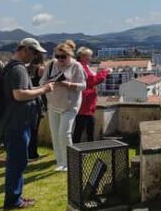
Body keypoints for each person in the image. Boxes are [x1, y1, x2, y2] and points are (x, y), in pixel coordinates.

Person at [3, 38, 55, 210]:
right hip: (17, 122)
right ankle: (13, 201)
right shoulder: (18, 68)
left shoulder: (12, 67)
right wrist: (43, 90)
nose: (35, 56)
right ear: (24, 49)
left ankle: (15, 197)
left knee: (18, 161)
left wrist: (39, 88)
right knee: (17, 163)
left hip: (15, 121)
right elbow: (19, 94)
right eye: (34, 52)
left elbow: (23, 90)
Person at [40, 40, 85, 171]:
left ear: (70, 55)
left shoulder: (76, 66)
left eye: (63, 57)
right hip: (53, 103)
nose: (60, 59)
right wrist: (50, 82)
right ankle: (60, 163)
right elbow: (42, 82)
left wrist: (67, 84)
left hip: (70, 105)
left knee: (64, 133)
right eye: (57, 56)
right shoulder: (51, 65)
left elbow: (83, 85)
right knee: (55, 135)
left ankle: (70, 162)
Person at [72, 47, 110, 144]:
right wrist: (105, 72)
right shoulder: (81, 67)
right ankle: (77, 147)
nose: (90, 58)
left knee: (88, 126)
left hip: (87, 102)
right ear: (83, 56)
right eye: (89, 56)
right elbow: (92, 81)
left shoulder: (83, 66)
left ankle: (88, 147)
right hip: (85, 102)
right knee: (81, 127)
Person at [27, 52, 46, 160]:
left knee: (28, 129)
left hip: (27, 99)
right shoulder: (41, 69)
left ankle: (27, 151)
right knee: (34, 129)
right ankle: (32, 153)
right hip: (37, 99)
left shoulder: (26, 68)